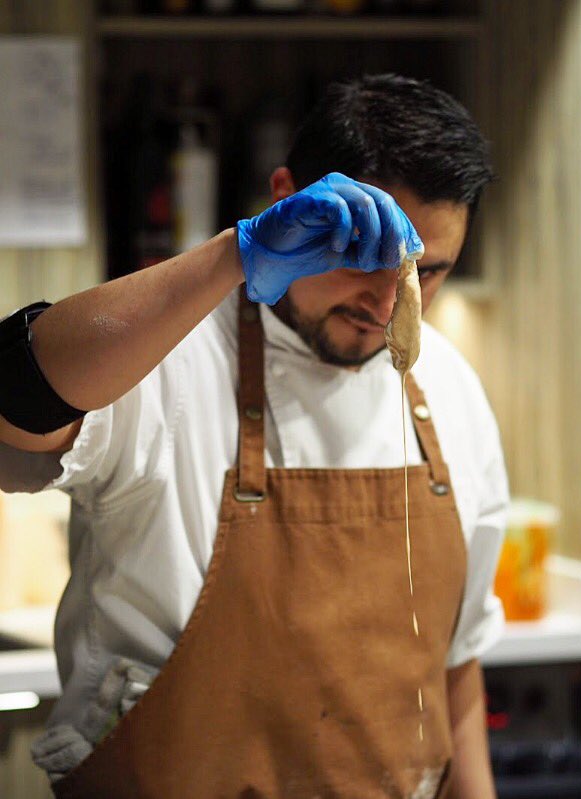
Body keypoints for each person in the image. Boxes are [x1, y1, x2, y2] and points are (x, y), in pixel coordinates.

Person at [0, 74, 508, 799]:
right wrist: (233, 256)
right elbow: (15, 401)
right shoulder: (167, 357)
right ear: (285, 197)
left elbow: (455, 671)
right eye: (363, 257)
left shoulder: (452, 387)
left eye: (427, 273)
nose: (387, 303)